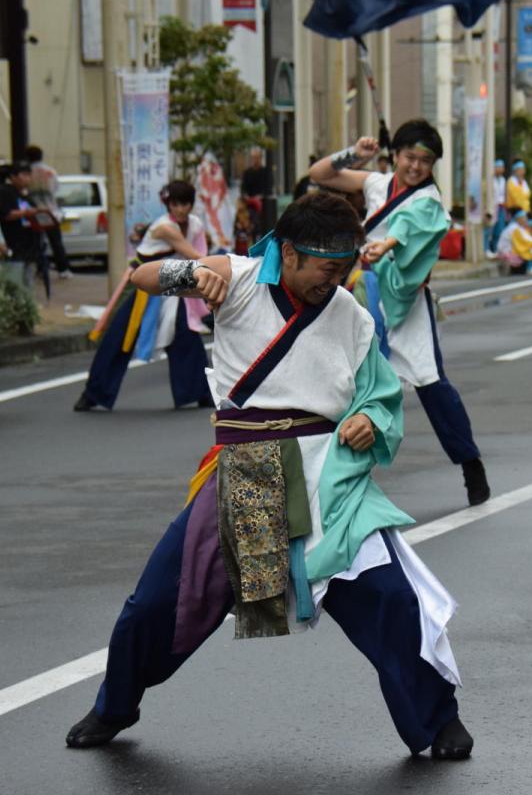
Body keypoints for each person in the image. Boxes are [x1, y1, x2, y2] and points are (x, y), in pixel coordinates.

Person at [63, 192, 473, 761]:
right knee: (162, 600)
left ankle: (437, 719)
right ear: (289, 253)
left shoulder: (351, 316)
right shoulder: (238, 276)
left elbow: (381, 396)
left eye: (344, 269)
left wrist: (365, 419)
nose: (334, 281)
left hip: (328, 475)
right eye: (326, 269)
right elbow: (144, 276)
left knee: (390, 597)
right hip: (245, 472)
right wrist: (194, 275)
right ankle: (114, 705)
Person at [307, 118, 491, 507]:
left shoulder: (428, 201)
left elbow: (409, 229)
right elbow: (319, 174)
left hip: (405, 304)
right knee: (347, 385)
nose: (416, 166)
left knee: (432, 385)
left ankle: (470, 463)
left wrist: (386, 244)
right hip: (362, 296)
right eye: (410, 157)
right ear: (396, 155)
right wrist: (354, 155)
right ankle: (338, 478)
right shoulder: (376, 183)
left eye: (426, 160)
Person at [74, 180, 212, 412]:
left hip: (175, 282)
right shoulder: (164, 227)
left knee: (186, 334)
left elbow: (201, 258)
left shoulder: (195, 224)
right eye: (175, 204)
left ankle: (200, 392)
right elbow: (195, 256)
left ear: (191, 205)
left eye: (185, 204)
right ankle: (94, 392)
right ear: (168, 204)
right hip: (146, 284)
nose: (180, 209)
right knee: (119, 336)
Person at [25, 144, 71, 279]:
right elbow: (56, 188)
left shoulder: (27, 172)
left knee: (37, 242)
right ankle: (63, 269)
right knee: (56, 241)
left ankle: (41, 268)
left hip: (34, 212)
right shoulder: (50, 171)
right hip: (51, 211)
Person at [0, 161, 44, 289]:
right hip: (14, 243)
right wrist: (27, 212)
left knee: (29, 280)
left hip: (30, 244)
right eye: (24, 174)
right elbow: (6, 214)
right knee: (14, 282)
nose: (27, 178)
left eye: (29, 174)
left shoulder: (27, 194)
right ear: (12, 177)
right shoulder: (5, 191)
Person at [241, 148, 273, 235]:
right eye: (253, 158)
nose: (255, 160)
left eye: (257, 157)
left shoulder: (266, 172)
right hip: (250, 203)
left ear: (261, 158)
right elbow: (243, 188)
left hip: (263, 203)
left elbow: (269, 187)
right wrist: (246, 196)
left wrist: (261, 196)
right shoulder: (247, 172)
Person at [488, 159, 508, 253]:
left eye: (501, 167)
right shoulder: (491, 180)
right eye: (498, 167)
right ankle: (488, 248)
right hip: (493, 206)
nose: (500, 169)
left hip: (501, 207)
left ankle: (496, 249)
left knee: (499, 229)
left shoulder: (503, 180)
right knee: (490, 228)